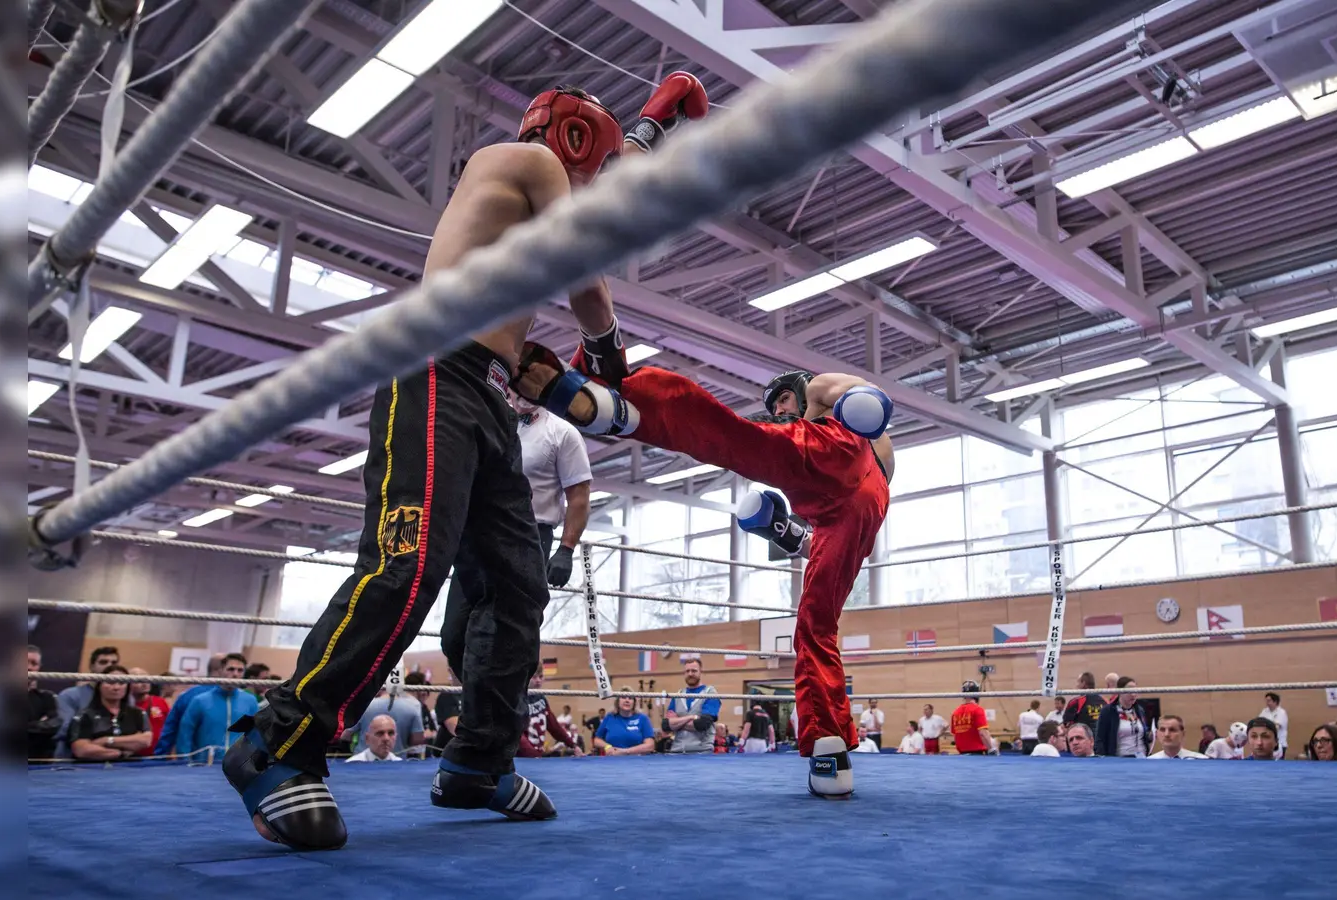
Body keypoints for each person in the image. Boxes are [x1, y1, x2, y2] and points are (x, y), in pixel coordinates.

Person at [226, 76, 708, 851]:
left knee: (516, 583)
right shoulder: (523, 160)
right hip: (430, 368)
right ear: (579, 141)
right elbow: (590, 256)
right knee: (410, 561)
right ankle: (279, 744)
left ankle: (478, 763)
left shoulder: (533, 211)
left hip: (483, 395)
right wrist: (609, 352)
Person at [513, 353, 894, 799]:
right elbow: (843, 526)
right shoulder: (803, 437)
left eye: (783, 399)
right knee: (814, 624)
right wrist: (789, 537)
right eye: (776, 407)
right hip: (845, 516)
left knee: (732, 437)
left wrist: (860, 399)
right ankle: (830, 748)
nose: (781, 410)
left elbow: (856, 390)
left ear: (799, 385)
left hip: (844, 458)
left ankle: (632, 404)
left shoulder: (817, 394)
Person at [510, 399, 593, 587]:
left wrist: (566, 549)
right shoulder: (493, 422)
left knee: (513, 613)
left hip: (530, 537)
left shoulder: (563, 432)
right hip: (482, 532)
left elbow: (579, 497)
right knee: (458, 615)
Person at [178, 654, 258, 757]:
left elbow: (256, 735)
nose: (235, 674)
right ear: (220, 671)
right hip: (203, 766)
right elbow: (185, 734)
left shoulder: (250, 701)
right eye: (231, 669)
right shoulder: (200, 701)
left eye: (240, 670)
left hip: (237, 767)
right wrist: (184, 762)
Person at [66, 666, 151, 761]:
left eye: (122, 683)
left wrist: (106, 740)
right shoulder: (85, 716)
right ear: (99, 685)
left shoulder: (137, 714)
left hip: (131, 770)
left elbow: (145, 740)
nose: (116, 687)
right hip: (92, 769)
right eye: (110, 682)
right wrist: (119, 753)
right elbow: (81, 749)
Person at [52, 646, 120, 758]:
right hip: (71, 758)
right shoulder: (70, 695)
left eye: (114, 662)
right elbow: (65, 729)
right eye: (103, 662)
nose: (109, 666)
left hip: (113, 758)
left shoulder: (124, 697)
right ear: (92, 666)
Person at [154, 654, 224, 756]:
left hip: (194, 761)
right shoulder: (191, 697)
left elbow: (169, 731)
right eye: (231, 669)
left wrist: (159, 757)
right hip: (205, 760)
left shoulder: (187, 695)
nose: (236, 674)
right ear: (222, 669)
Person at [348, 684, 428, 756]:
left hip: (362, 762)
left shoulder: (364, 706)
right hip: (398, 762)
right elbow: (417, 741)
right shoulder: (412, 707)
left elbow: (345, 735)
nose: (386, 738)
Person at [660, 659, 721, 753]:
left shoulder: (710, 693)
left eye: (694, 671)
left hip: (702, 752)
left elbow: (702, 724)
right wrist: (691, 717)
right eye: (687, 671)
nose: (690, 674)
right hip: (677, 751)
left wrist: (677, 723)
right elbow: (666, 726)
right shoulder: (678, 695)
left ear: (701, 672)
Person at [521, 673, 583, 758]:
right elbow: (516, 735)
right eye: (534, 677)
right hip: (520, 758)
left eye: (541, 676)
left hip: (536, 757)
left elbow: (554, 726)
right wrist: (533, 755)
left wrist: (573, 745)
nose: (538, 680)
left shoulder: (541, 698)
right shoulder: (516, 700)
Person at [1094, 677, 1151, 758]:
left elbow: (1142, 734)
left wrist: (1150, 735)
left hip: (1141, 757)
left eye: (1135, 691)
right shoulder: (1108, 711)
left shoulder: (1139, 710)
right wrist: (1102, 759)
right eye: (1129, 691)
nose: (1133, 694)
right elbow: (1099, 739)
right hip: (1120, 759)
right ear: (1119, 691)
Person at [25, 645, 61, 762]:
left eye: (34, 664)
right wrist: (39, 724)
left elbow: (54, 726)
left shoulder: (47, 697)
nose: (29, 667)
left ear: (39, 668)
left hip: (38, 762)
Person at [127, 668, 169, 757]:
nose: (144, 683)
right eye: (138, 680)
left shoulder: (160, 702)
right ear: (127, 684)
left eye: (147, 679)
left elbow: (170, 728)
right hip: (132, 757)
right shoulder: (124, 707)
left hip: (159, 756)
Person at [950, 682, 996, 756]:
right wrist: (991, 749)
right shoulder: (978, 709)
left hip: (962, 754)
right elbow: (983, 733)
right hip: (977, 754)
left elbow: (955, 735)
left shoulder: (955, 712)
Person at [1258, 692, 1288, 759]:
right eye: (1266, 701)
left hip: (1279, 744)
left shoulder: (1281, 712)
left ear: (1275, 702)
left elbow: (1276, 727)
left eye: (1269, 701)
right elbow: (1258, 723)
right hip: (1266, 744)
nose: (1267, 703)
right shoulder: (1264, 711)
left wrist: (1265, 726)